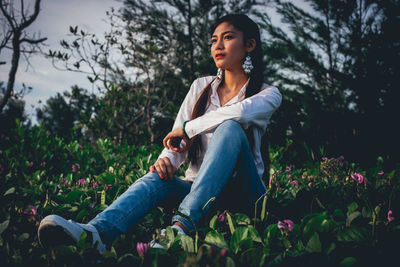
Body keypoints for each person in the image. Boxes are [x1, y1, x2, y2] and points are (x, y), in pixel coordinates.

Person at [37, 14, 282, 254]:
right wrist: (167, 161)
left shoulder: (268, 94)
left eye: (227, 38)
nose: (217, 45)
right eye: (213, 40)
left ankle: (178, 229)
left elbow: (235, 114)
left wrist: (189, 128)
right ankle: (95, 234)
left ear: (249, 45)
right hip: (198, 190)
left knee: (229, 128)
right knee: (156, 179)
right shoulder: (200, 87)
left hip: (245, 196)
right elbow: (176, 143)